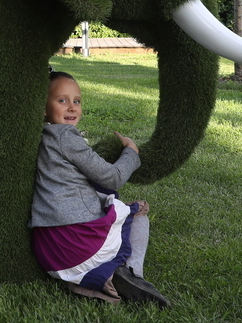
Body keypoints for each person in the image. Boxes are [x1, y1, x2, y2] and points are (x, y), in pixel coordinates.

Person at [30, 70, 170, 308]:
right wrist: (131, 152)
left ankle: (85, 282)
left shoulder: (40, 138)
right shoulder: (65, 136)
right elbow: (111, 178)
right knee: (137, 214)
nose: (72, 107)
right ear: (43, 108)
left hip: (50, 251)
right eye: (62, 100)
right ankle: (132, 275)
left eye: (77, 101)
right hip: (78, 241)